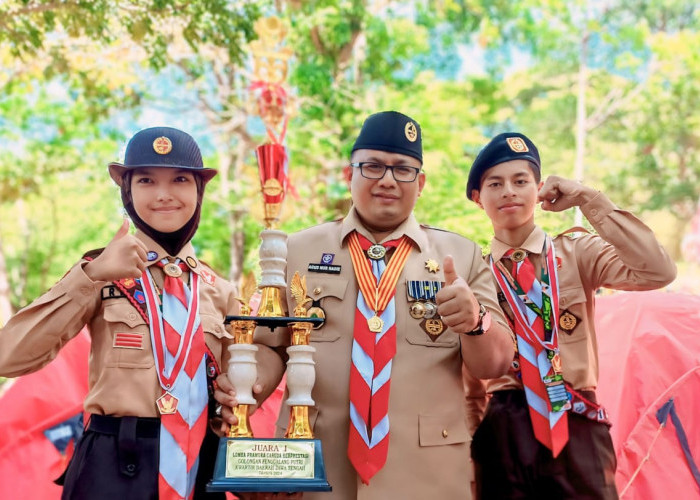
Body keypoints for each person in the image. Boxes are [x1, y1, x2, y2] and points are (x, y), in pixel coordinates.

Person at [215, 111, 515, 499]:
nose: (388, 180)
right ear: (348, 174)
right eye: (372, 166)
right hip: (318, 468)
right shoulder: (297, 250)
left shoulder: (461, 255)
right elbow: (271, 345)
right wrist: (247, 384)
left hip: (426, 474)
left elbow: (495, 363)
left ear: (420, 183)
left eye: (403, 170)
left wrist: (477, 322)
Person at [0, 127, 239, 500]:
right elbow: (9, 356)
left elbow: (242, 384)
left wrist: (234, 396)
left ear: (199, 190)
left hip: (200, 468)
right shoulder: (99, 269)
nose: (163, 194)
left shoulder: (220, 290)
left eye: (179, 179)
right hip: (115, 465)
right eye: (146, 180)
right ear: (127, 190)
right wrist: (93, 275)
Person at [466, 132, 677, 499]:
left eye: (521, 181)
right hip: (504, 423)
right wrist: (472, 441)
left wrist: (587, 198)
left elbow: (657, 271)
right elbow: (468, 380)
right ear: (476, 197)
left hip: (576, 418)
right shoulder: (475, 273)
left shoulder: (576, 253)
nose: (509, 192)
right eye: (495, 184)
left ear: (540, 188)